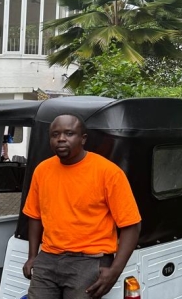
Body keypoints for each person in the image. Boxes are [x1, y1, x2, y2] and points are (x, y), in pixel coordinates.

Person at [22, 114, 142, 298]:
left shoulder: (108, 172)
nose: (61, 139)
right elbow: (34, 216)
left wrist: (115, 271)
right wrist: (32, 256)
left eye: (69, 133)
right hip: (48, 257)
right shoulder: (42, 170)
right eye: (55, 134)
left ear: (83, 138)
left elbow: (131, 226)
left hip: (89, 260)